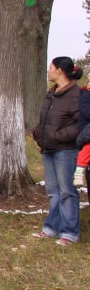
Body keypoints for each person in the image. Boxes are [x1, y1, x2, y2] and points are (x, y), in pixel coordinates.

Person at [32, 57, 82, 245]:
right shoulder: (51, 93)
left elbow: (81, 124)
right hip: (48, 148)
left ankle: (70, 232)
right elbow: (43, 119)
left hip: (66, 150)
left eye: (51, 67)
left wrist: (59, 136)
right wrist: (39, 133)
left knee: (68, 191)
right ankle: (52, 227)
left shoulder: (76, 94)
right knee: (53, 191)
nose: (48, 70)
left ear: (60, 70)